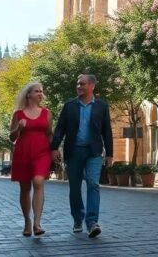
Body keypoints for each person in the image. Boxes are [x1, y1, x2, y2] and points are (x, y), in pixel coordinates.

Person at [50, 74, 114, 239]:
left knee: (93, 184)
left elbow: (107, 131)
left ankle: (92, 222)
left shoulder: (101, 106)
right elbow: (60, 129)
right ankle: (78, 219)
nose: (79, 86)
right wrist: (54, 147)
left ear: (92, 86)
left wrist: (110, 153)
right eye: (78, 84)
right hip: (74, 151)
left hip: (94, 152)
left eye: (82, 84)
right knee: (75, 188)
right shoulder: (69, 106)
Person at [10, 81, 53, 237]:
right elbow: (12, 137)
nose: (40, 93)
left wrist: (54, 150)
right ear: (28, 94)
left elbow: (50, 133)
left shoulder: (46, 113)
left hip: (42, 152)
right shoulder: (18, 114)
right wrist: (19, 128)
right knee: (25, 188)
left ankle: (37, 223)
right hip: (23, 152)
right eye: (37, 91)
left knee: (38, 182)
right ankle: (27, 221)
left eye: (41, 91)